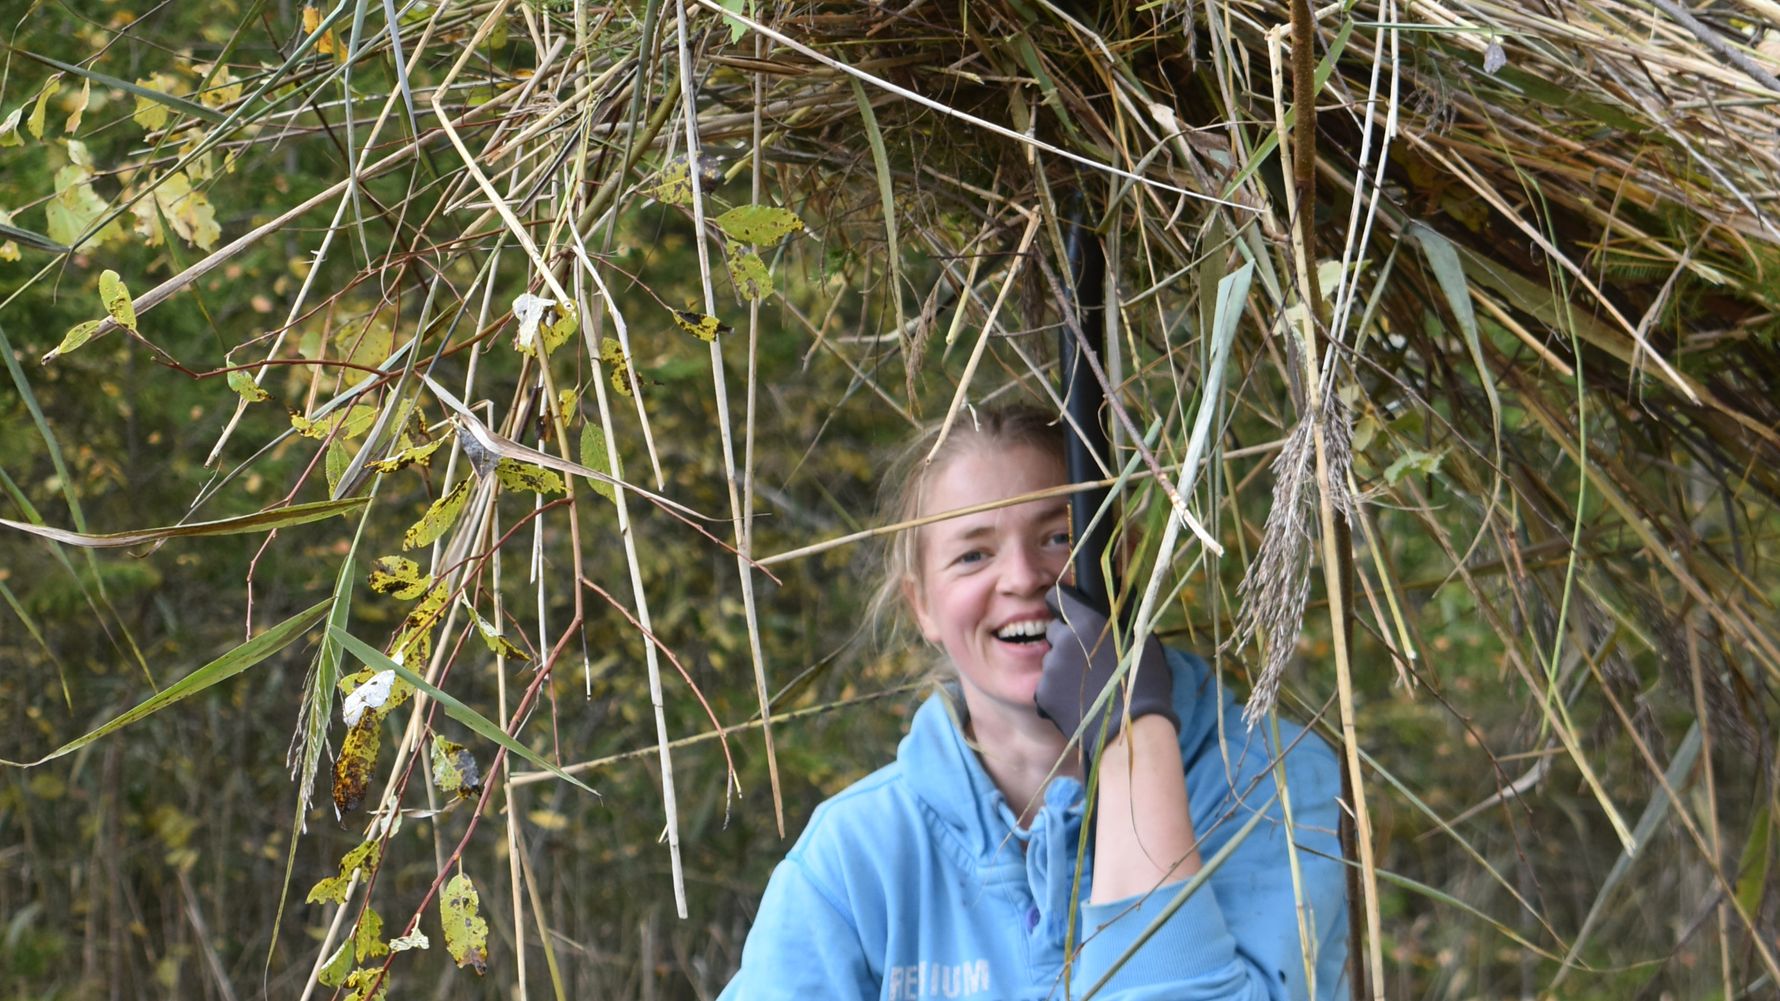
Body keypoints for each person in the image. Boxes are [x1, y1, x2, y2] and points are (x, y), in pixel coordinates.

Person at [719, 405, 1348, 1000]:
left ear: (1122, 559)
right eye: (974, 554)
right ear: (923, 606)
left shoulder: (1270, 780)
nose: (1022, 577)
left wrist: (1134, 731)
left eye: (1055, 537)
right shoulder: (857, 855)